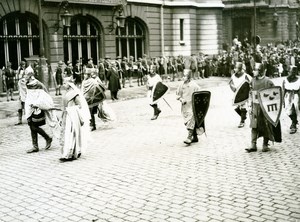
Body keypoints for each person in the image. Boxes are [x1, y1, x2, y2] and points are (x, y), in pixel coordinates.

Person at [246, 63, 282, 153]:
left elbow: (274, 93)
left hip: (265, 107)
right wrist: (250, 104)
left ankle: (265, 145)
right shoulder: (252, 81)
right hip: (255, 106)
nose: (253, 71)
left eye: (255, 70)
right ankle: (253, 144)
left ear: (260, 71)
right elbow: (250, 92)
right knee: (254, 126)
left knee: (266, 125)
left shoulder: (267, 81)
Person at [24, 66, 56, 153]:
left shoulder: (38, 84)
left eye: (26, 75)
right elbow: (29, 96)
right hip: (30, 107)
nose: (24, 76)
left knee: (34, 125)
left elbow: (44, 94)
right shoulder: (27, 84)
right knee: (31, 124)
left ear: (30, 76)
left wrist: (37, 103)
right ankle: (35, 146)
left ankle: (47, 138)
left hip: (37, 107)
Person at [59, 77, 91, 162]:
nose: (63, 85)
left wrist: (72, 110)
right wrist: (61, 117)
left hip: (72, 117)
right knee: (66, 134)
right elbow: (64, 107)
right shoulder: (65, 94)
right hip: (66, 116)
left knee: (72, 133)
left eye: (65, 83)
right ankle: (66, 152)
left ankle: (71, 153)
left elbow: (79, 105)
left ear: (69, 85)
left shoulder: (74, 94)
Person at [176, 69, 202, 144]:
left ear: (189, 77)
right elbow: (178, 95)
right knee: (187, 122)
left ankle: (189, 137)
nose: (183, 77)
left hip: (192, 106)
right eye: (183, 76)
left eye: (185, 76)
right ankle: (195, 137)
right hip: (185, 107)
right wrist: (181, 99)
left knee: (191, 120)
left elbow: (199, 94)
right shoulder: (181, 85)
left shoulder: (194, 85)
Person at [229, 62, 252, 128]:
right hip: (237, 93)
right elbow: (231, 84)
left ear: (240, 69)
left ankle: (242, 121)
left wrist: (249, 91)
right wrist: (234, 89)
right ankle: (244, 116)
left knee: (243, 106)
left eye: (236, 68)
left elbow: (251, 83)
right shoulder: (233, 76)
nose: (234, 69)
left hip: (244, 94)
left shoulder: (246, 76)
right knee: (238, 108)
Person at [282, 66, 300, 134]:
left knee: (294, 110)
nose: (292, 73)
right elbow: (283, 90)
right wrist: (283, 100)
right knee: (288, 111)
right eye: (291, 72)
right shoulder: (285, 80)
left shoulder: (298, 80)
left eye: (294, 72)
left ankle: (293, 125)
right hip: (287, 96)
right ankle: (294, 121)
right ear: (289, 71)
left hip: (295, 96)